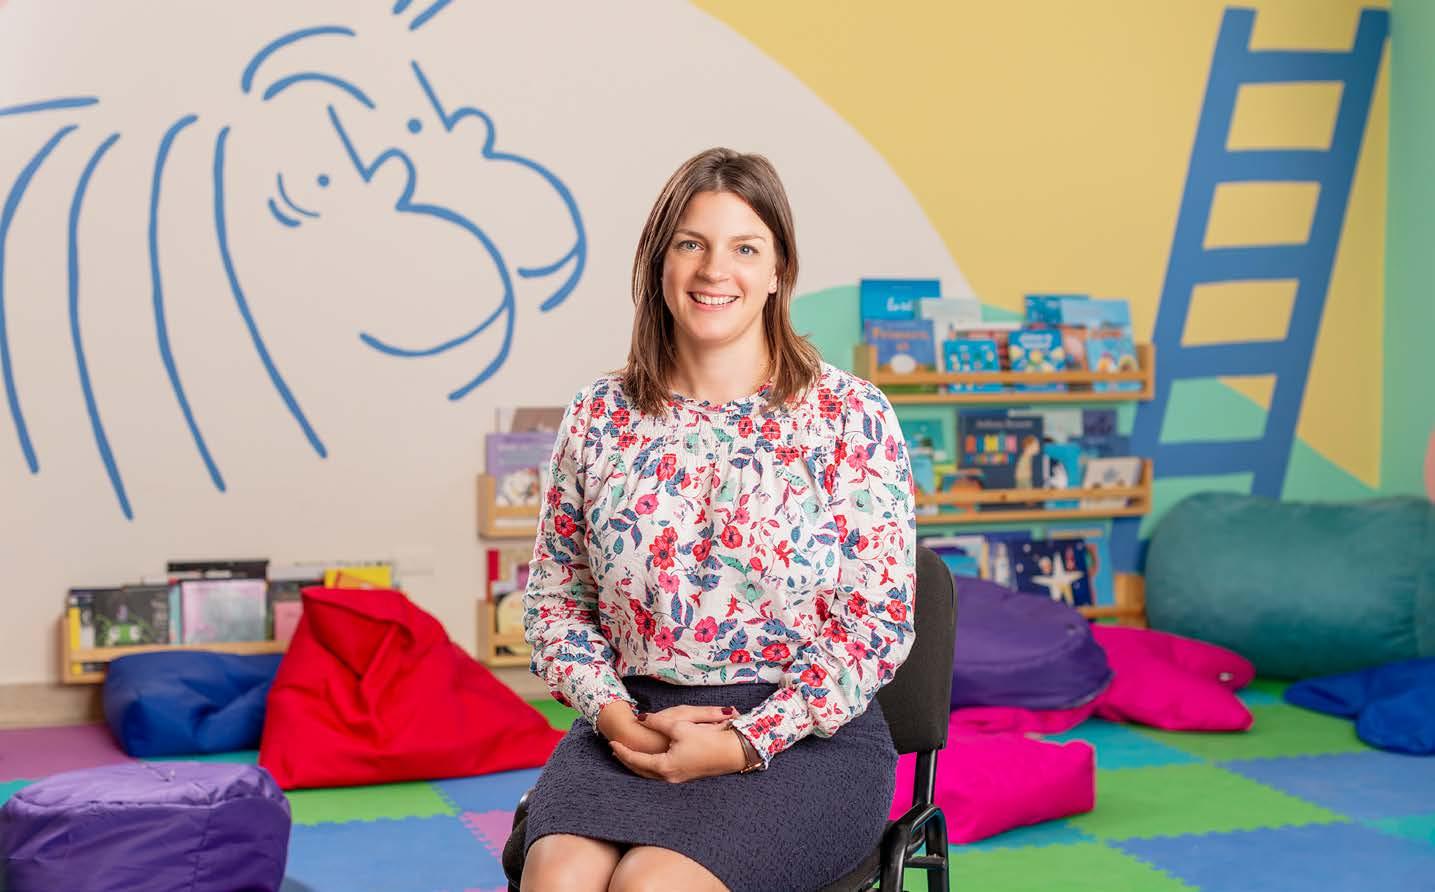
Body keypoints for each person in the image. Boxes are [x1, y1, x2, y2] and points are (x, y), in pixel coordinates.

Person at [520, 147, 917, 892]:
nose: (714, 271)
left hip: (804, 737)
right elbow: (555, 605)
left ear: (778, 271)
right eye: (690, 244)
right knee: (559, 876)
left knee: (651, 885)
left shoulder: (849, 415)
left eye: (745, 248)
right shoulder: (599, 414)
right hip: (631, 721)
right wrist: (617, 718)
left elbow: (877, 624)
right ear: (658, 263)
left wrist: (744, 741)